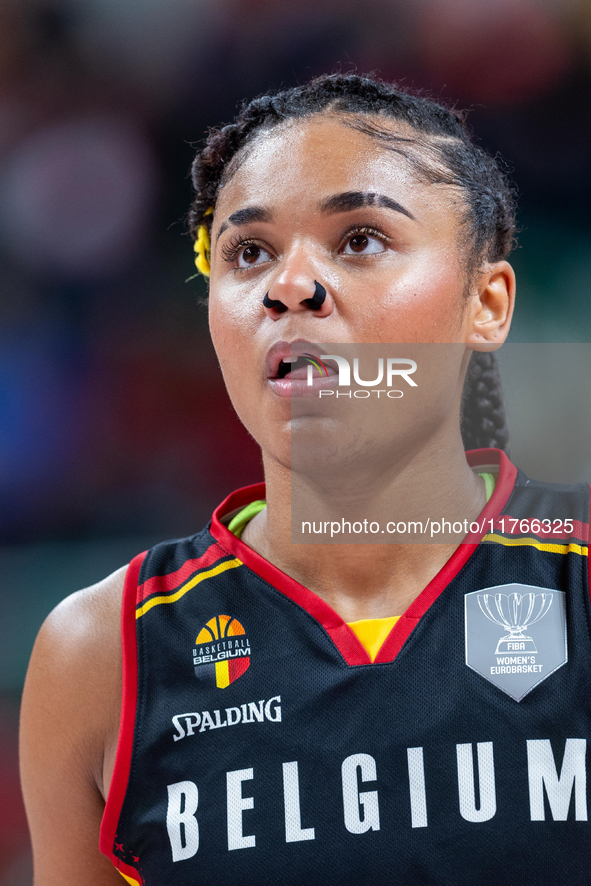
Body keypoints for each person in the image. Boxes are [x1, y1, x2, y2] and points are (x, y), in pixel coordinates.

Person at [20, 74, 590, 886]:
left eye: (359, 239)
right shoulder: (101, 651)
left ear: (486, 304)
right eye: (248, 253)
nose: (290, 286)